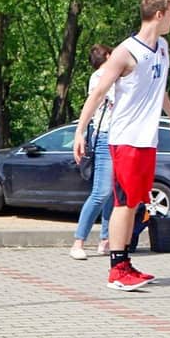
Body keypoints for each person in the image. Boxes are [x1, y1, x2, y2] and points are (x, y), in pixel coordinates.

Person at [73, 0, 170, 291]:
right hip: (125, 139)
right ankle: (117, 269)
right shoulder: (126, 52)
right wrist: (80, 131)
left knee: (134, 202)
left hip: (147, 140)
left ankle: (126, 262)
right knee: (123, 202)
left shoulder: (162, 48)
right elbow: (98, 93)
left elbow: (160, 87)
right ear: (159, 15)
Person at [70, 44, 116, 260]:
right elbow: (98, 101)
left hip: (120, 136)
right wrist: (79, 133)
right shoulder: (100, 77)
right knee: (101, 191)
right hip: (105, 135)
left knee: (112, 192)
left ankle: (106, 239)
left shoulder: (117, 75)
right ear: (107, 56)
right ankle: (78, 241)